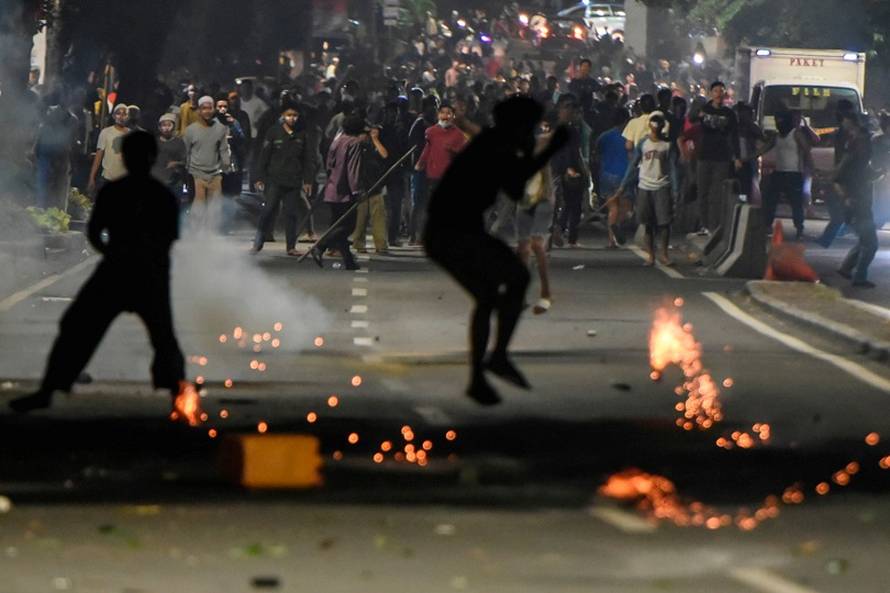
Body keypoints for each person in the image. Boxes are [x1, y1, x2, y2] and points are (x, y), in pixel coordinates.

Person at [9, 131, 201, 426]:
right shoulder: (155, 194)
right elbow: (161, 238)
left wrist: (118, 253)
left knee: (154, 336)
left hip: (126, 271)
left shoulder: (131, 193)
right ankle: (178, 395)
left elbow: (99, 234)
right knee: (93, 327)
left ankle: (50, 390)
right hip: (138, 272)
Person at [423, 97, 568, 405]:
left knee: (499, 288)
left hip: (461, 229)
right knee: (506, 283)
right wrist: (550, 149)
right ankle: (495, 359)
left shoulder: (497, 141)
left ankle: (485, 370)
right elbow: (516, 185)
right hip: (450, 231)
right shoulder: (494, 145)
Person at [252, 101, 316, 255]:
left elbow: (308, 160)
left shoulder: (302, 134)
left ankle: (291, 247)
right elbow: (263, 157)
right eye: (288, 115)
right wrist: (259, 177)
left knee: (291, 214)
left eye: (295, 115)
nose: (292, 118)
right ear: (282, 116)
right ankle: (257, 244)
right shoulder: (273, 132)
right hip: (274, 180)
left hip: (293, 181)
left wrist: (308, 181)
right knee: (267, 211)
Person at [614, 112, 675, 266]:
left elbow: (673, 169)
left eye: (658, 123)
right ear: (649, 125)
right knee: (646, 223)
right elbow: (633, 165)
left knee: (664, 223)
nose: (655, 126)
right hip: (644, 186)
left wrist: (676, 189)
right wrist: (623, 185)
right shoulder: (643, 143)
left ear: (662, 126)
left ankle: (664, 254)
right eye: (653, 123)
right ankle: (650, 255)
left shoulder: (668, 145)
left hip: (662, 185)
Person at [310, 114, 365, 271]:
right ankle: (320, 246)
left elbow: (329, 165)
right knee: (348, 226)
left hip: (332, 187)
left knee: (338, 225)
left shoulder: (337, 140)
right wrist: (356, 190)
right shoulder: (354, 143)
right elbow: (353, 169)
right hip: (344, 191)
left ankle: (349, 261)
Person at [516, 119, 557, 315]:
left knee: (536, 244)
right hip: (524, 202)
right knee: (523, 249)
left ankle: (546, 292)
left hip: (542, 200)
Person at [690, 81, 741, 233]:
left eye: (721, 91)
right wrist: (698, 114)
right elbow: (691, 118)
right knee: (703, 192)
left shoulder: (729, 114)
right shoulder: (704, 109)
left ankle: (715, 226)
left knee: (717, 194)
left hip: (722, 158)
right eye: (716, 91)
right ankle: (703, 225)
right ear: (711, 93)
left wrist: (737, 157)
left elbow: (734, 136)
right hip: (704, 156)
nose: (719, 94)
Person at [414, 103, 468, 241]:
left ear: (453, 116)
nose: (445, 116)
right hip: (433, 173)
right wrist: (420, 163)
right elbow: (428, 148)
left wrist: (454, 151)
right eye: (443, 113)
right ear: (438, 115)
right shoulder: (431, 132)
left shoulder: (459, 135)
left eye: (449, 113)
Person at [759, 109, 817, 239]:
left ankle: (799, 228)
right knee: (770, 199)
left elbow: (807, 151)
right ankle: (767, 225)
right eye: (776, 121)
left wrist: (812, 169)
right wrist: (749, 157)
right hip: (779, 172)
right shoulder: (776, 136)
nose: (778, 123)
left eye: (780, 120)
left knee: (796, 203)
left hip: (794, 173)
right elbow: (764, 148)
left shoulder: (796, 134)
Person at [835, 112, 877, 288]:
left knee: (865, 240)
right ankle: (859, 277)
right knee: (871, 243)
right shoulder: (853, 159)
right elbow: (838, 179)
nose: (868, 146)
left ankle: (846, 268)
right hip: (857, 202)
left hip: (860, 201)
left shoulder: (859, 161)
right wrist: (847, 198)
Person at [183, 95, 231, 229]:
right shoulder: (191, 130)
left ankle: (211, 235)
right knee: (198, 207)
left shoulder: (220, 129)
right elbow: (186, 151)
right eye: (204, 108)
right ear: (199, 110)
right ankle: (195, 234)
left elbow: (223, 149)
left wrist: (226, 165)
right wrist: (186, 170)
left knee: (215, 207)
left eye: (209, 108)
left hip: (215, 173)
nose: (207, 111)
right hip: (196, 173)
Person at [350, 125, 390, 254]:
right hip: (360, 187)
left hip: (376, 186)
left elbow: (384, 155)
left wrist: (375, 140)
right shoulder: (357, 146)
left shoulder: (376, 146)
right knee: (360, 218)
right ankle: (358, 244)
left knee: (379, 217)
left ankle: (381, 245)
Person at [597, 109, 631, 246]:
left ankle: (611, 240)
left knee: (612, 208)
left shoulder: (604, 136)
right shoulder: (629, 137)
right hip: (623, 175)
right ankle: (617, 227)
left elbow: (597, 152)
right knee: (626, 208)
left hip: (606, 174)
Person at [87, 103, 130, 196]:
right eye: (118, 113)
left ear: (128, 117)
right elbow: (99, 156)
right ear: (114, 116)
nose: (121, 116)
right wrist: (92, 177)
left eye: (124, 114)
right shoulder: (106, 132)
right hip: (107, 178)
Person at [151, 113, 187, 197]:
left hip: (175, 181)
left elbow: (186, 160)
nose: (166, 128)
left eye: (169, 125)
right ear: (159, 127)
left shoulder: (179, 142)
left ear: (173, 127)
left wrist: (177, 163)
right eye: (164, 125)